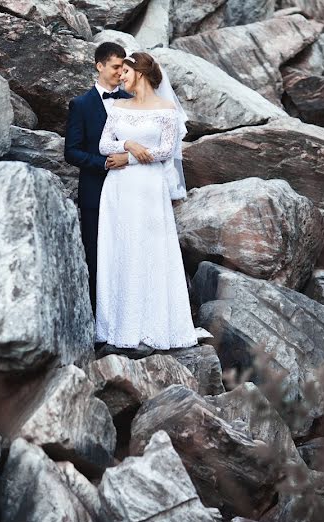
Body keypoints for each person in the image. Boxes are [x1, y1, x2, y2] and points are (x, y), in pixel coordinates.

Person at [95, 52, 198, 351]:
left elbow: (166, 150)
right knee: (120, 249)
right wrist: (128, 143)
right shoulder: (116, 107)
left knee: (148, 250)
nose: (120, 76)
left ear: (139, 72)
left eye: (125, 71)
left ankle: (153, 326)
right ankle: (116, 326)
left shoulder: (166, 110)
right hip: (119, 187)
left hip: (149, 188)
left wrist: (130, 158)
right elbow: (103, 145)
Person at [64, 42, 137, 322]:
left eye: (123, 67)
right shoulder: (81, 105)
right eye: (116, 66)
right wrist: (104, 163)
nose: (121, 72)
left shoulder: (132, 101)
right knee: (96, 257)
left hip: (130, 190)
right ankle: (98, 323)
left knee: (126, 254)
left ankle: (126, 318)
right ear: (100, 66)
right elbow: (71, 151)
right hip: (95, 192)